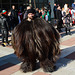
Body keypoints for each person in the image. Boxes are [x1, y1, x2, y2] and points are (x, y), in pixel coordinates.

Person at [12, 8, 60, 73]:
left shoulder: (41, 22)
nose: (31, 15)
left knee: (44, 55)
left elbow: (50, 31)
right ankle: (29, 65)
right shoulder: (23, 24)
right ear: (27, 14)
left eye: (32, 14)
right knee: (28, 56)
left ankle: (47, 65)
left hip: (41, 45)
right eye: (29, 14)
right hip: (28, 45)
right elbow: (16, 34)